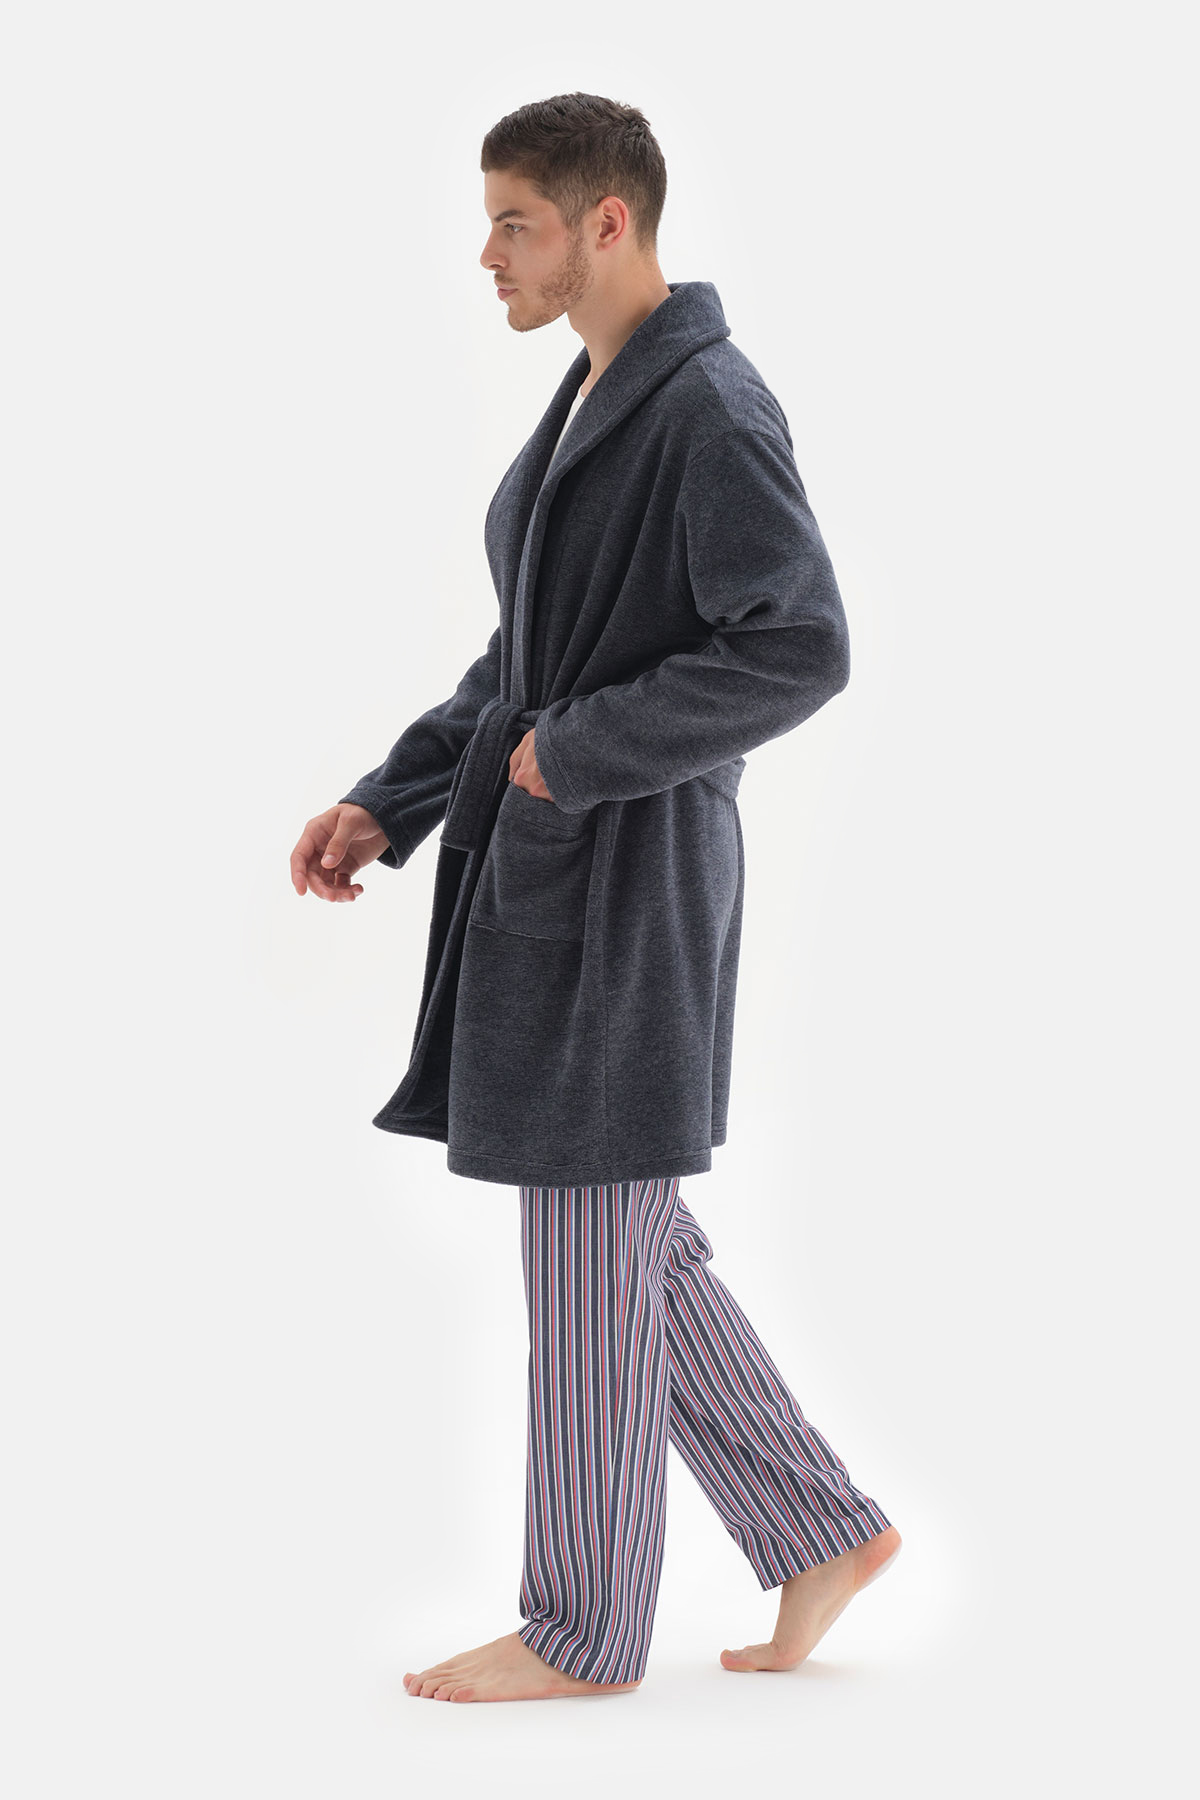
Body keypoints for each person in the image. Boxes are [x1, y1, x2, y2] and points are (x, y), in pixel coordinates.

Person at [290, 92, 900, 1704]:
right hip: (566, 863)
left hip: (633, 878)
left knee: (589, 1245)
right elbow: (530, 657)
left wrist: (575, 756)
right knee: (626, 1237)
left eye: (516, 220)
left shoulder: (709, 410)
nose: (487, 251)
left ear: (606, 222)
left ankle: (582, 1626)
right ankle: (821, 1528)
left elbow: (799, 645)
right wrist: (393, 798)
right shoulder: (595, 393)